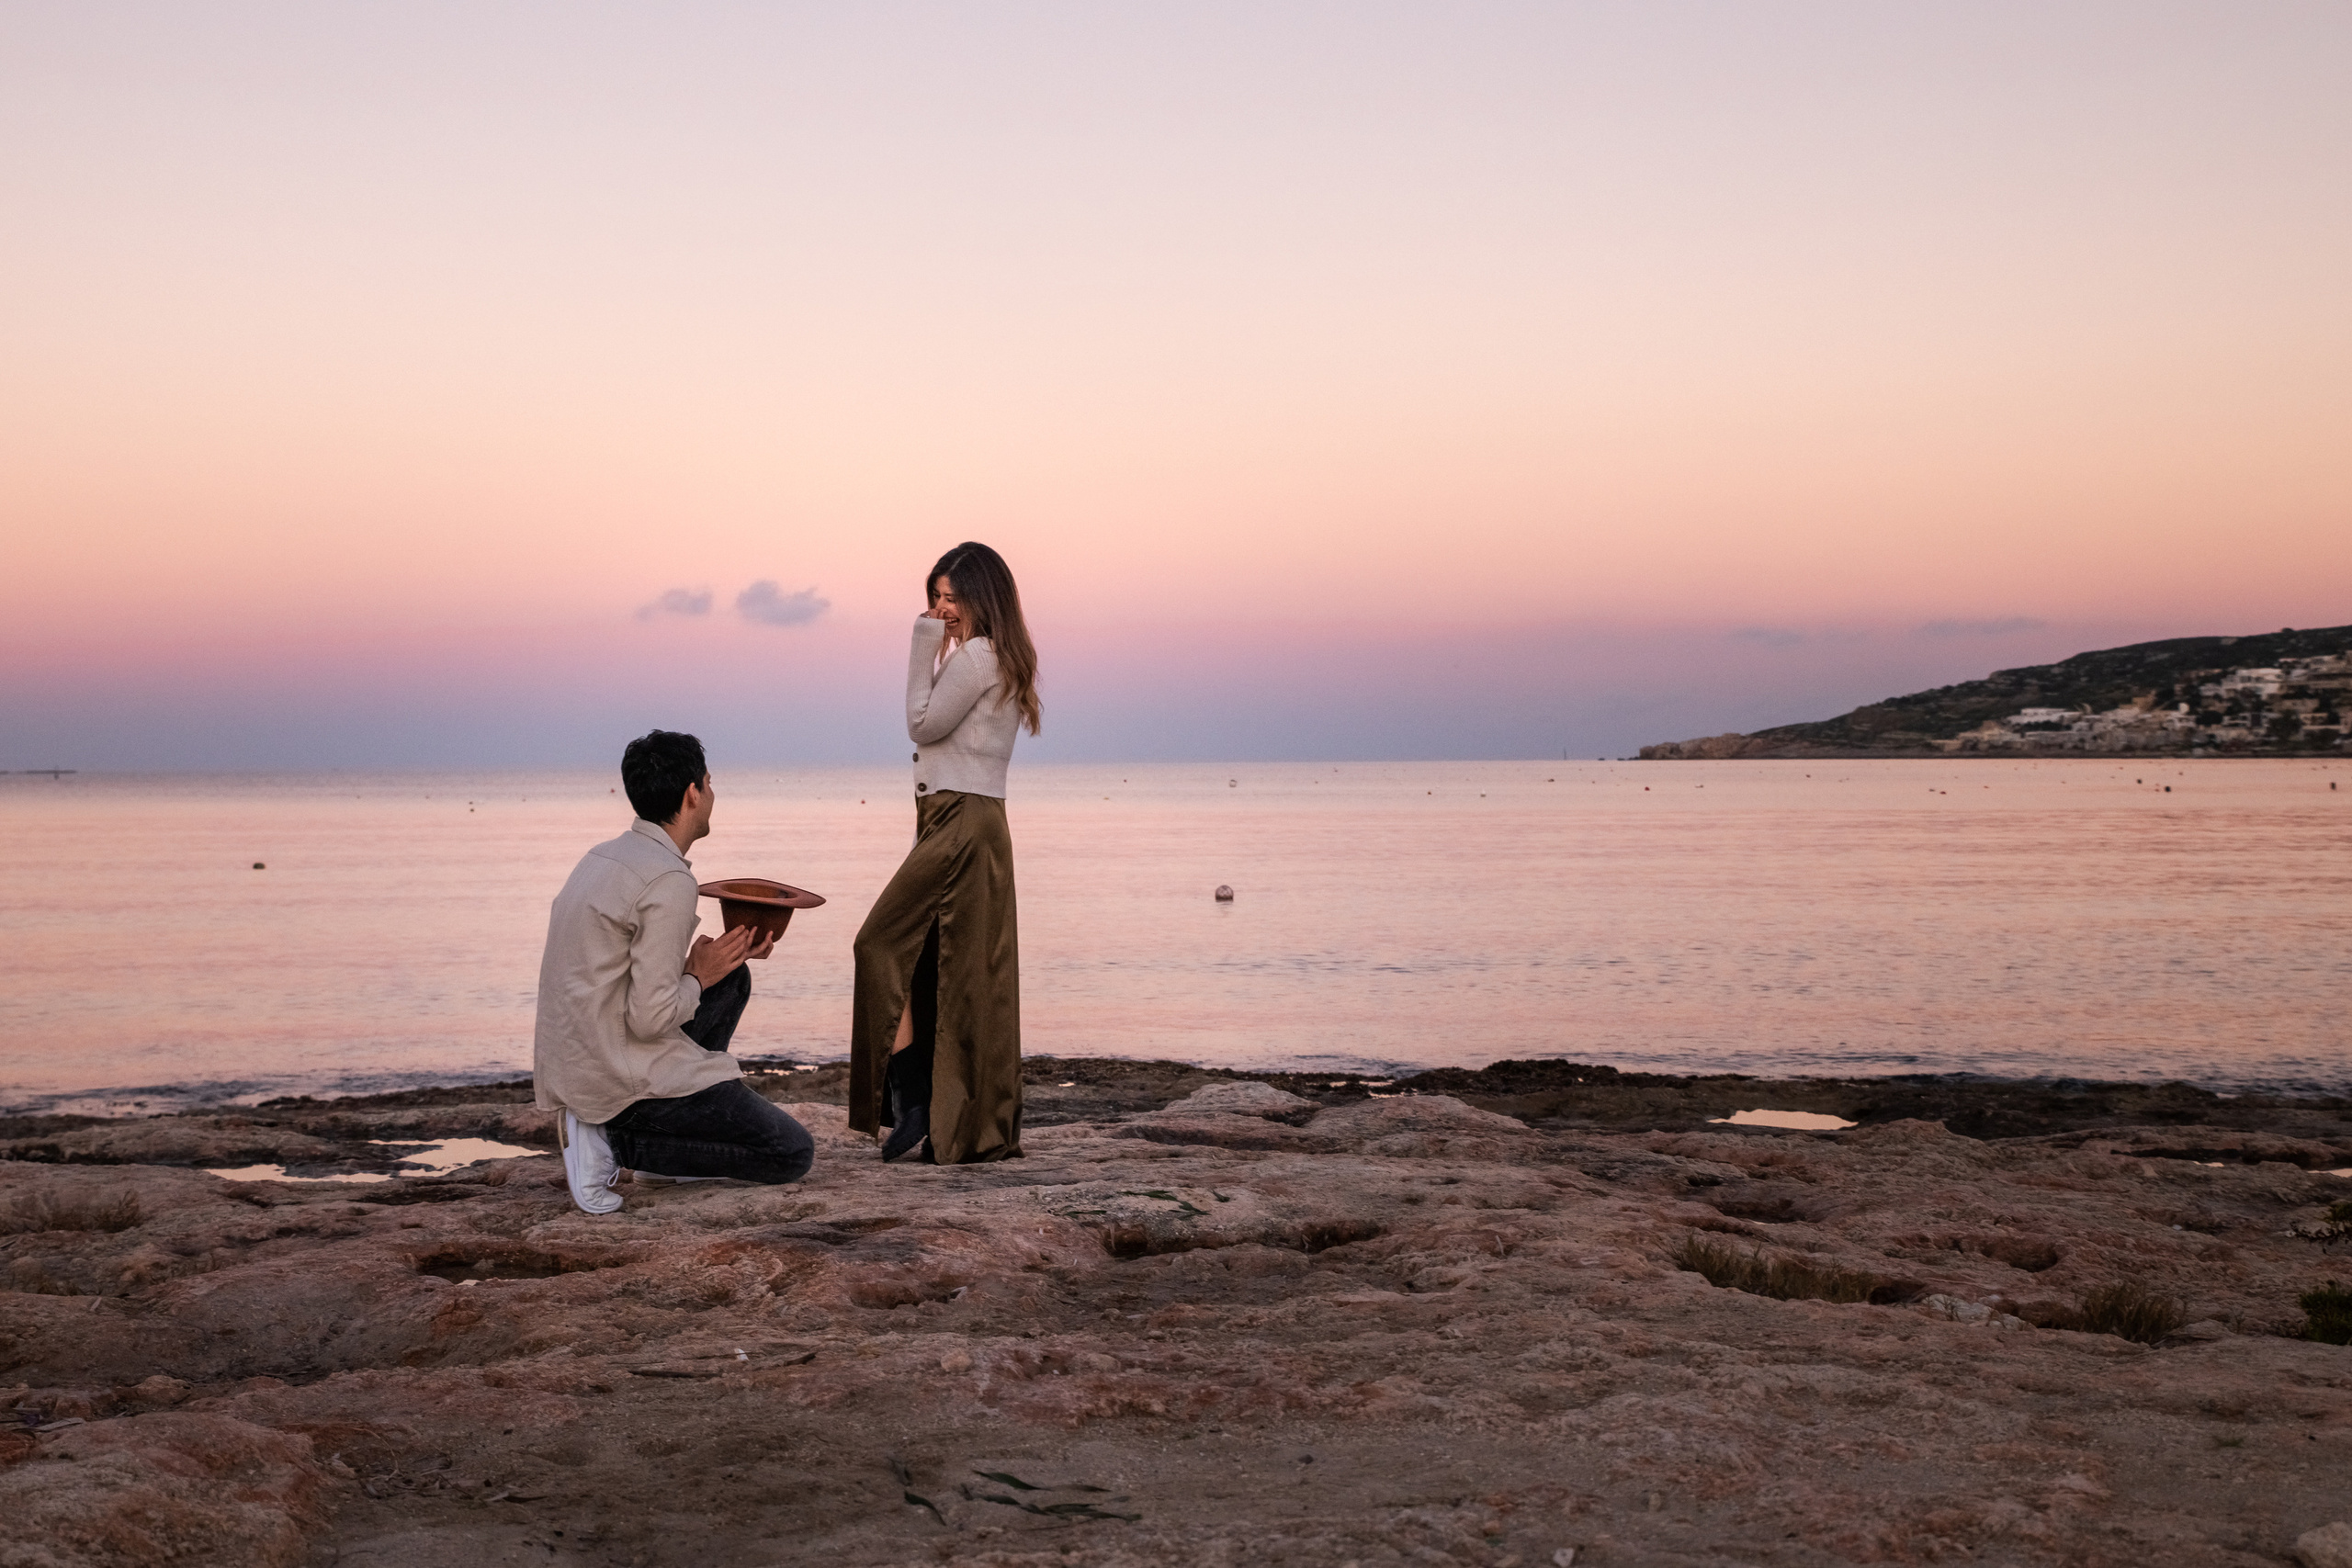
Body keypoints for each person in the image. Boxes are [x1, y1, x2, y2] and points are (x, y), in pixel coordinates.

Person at [534, 730, 814, 1213]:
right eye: (709, 783)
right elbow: (650, 1018)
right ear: (692, 793)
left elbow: (624, 975)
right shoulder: (669, 879)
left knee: (734, 980)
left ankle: (655, 1155)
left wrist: (715, 965)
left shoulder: (603, 856)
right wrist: (698, 976)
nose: (712, 794)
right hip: (611, 1073)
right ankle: (612, 1143)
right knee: (789, 1153)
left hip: (577, 1055)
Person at [849, 542, 1041, 1165]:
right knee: (957, 972)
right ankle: (948, 1118)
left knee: (879, 943)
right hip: (973, 821)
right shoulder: (999, 656)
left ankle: (911, 1101)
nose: (940, 608)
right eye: (934, 596)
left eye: (951, 596)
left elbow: (921, 723)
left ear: (982, 598)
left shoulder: (977, 656)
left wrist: (919, 645)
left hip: (959, 819)